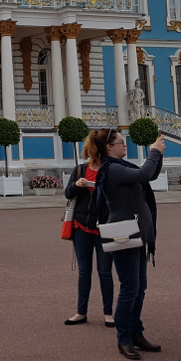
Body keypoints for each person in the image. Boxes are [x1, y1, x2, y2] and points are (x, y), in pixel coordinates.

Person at [95, 128, 165, 359]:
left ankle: (135, 332)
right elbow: (144, 173)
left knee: (139, 288)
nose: (124, 145)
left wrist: (158, 155)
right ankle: (124, 338)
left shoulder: (121, 166)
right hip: (123, 234)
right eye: (120, 142)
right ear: (109, 147)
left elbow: (149, 175)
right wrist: (154, 152)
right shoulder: (112, 168)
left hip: (135, 233)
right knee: (129, 289)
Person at [62, 135, 115, 328]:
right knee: (84, 272)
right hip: (81, 227)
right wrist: (77, 185)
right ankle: (81, 312)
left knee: (105, 272)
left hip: (104, 227)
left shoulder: (110, 170)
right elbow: (67, 193)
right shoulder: (80, 170)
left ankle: (108, 313)